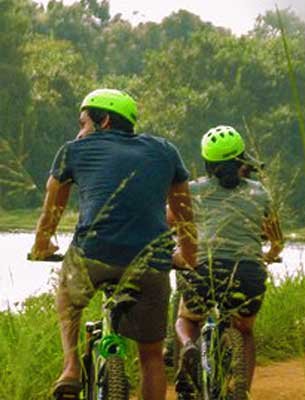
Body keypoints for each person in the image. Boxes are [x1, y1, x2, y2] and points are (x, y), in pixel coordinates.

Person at [29, 88, 197, 400]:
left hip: (94, 255)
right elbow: (184, 213)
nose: (80, 132)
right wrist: (187, 255)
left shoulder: (73, 151)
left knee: (67, 296)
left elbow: (51, 210)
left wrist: (41, 246)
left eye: (83, 124)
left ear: (103, 120)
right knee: (151, 357)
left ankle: (70, 368)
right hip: (151, 261)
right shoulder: (165, 150)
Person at [172, 126, 284, 397]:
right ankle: (242, 388)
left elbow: (170, 220)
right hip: (248, 272)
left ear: (208, 164)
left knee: (187, 319)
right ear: (241, 159)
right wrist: (268, 256)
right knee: (244, 330)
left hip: (205, 267)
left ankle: (188, 345)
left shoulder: (194, 190)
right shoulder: (259, 193)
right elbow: (276, 238)